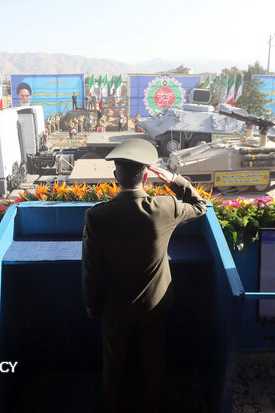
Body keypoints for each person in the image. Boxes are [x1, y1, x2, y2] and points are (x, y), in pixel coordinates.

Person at [82, 139, 207, 412]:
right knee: (153, 362)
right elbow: (200, 206)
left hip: (114, 307)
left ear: (116, 178)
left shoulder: (97, 216)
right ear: (147, 176)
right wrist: (174, 180)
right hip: (155, 305)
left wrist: (92, 302)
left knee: (113, 364)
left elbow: (92, 267)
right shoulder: (166, 207)